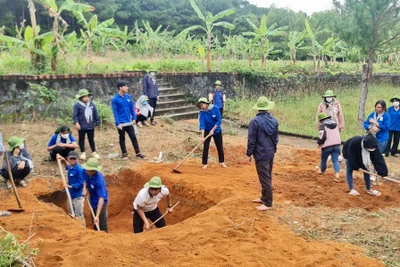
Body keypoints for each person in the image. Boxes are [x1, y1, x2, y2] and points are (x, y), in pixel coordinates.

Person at [246, 96, 279, 211]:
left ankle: (268, 203)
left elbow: (251, 140)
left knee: (264, 178)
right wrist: (273, 149)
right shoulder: (274, 121)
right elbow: (276, 139)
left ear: (258, 109)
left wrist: (248, 154)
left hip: (260, 154)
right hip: (270, 153)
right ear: (268, 108)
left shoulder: (254, 121)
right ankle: (264, 197)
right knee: (267, 176)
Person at [111, 80, 146, 160]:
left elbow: (132, 109)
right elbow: (115, 112)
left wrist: (134, 118)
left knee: (133, 137)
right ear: (120, 88)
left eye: (127, 85)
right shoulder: (115, 99)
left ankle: (138, 153)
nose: (127, 87)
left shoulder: (128, 97)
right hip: (121, 123)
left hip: (129, 122)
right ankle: (124, 153)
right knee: (122, 138)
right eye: (125, 86)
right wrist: (118, 123)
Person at [56, 151, 86, 226]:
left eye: (74, 158)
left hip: (78, 197)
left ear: (77, 159)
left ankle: (83, 230)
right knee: (70, 214)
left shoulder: (79, 169)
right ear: (68, 159)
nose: (72, 160)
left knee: (79, 215)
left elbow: (81, 182)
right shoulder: (70, 167)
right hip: (70, 196)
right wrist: (63, 159)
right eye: (71, 158)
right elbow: (67, 166)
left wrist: (71, 186)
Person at [197, 97, 227, 169]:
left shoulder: (215, 108)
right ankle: (205, 164)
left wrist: (213, 130)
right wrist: (202, 137)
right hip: (207, 130)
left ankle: (221, 162)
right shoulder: (201, 112)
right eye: (200, 105)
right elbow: (202, 124)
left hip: (216, 130)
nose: (202, 106)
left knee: (219, 147)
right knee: (205, 147)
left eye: (202, 105)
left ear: (206, 103)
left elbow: (218, 120)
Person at [73, 88, 101, 160]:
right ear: (81, 98)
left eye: (87, 96)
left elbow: (95, 114)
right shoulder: (77, 105)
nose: (87, 98)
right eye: (85, 97)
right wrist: (76, 123)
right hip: (82, 126)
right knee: (81, 139)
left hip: (90, 125)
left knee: (91, 139)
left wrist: (97, 122)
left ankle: (94, 152)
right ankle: (83, 152)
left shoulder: (91, 105)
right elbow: (75, 115)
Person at [82, 158, 108, 232]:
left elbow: (101, 199)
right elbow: (85, 179)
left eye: (88, 170)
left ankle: (104, 238)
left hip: (101, 203)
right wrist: (85, 188)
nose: (86, 171)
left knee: (101, 224)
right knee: (94, 222)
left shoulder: (99, 181)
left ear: (93, 171)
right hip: (92, 200)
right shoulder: (87, 172)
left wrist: (97, 215)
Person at [316, 112, 341, 182]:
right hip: (337, 145)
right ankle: (337, 175)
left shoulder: (323, 126)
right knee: (335, 160)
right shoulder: (335, 124)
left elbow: (322, 136)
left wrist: (319, 143)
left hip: (327, 146)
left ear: (321, 120)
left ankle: (322, 171)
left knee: (324, 159)